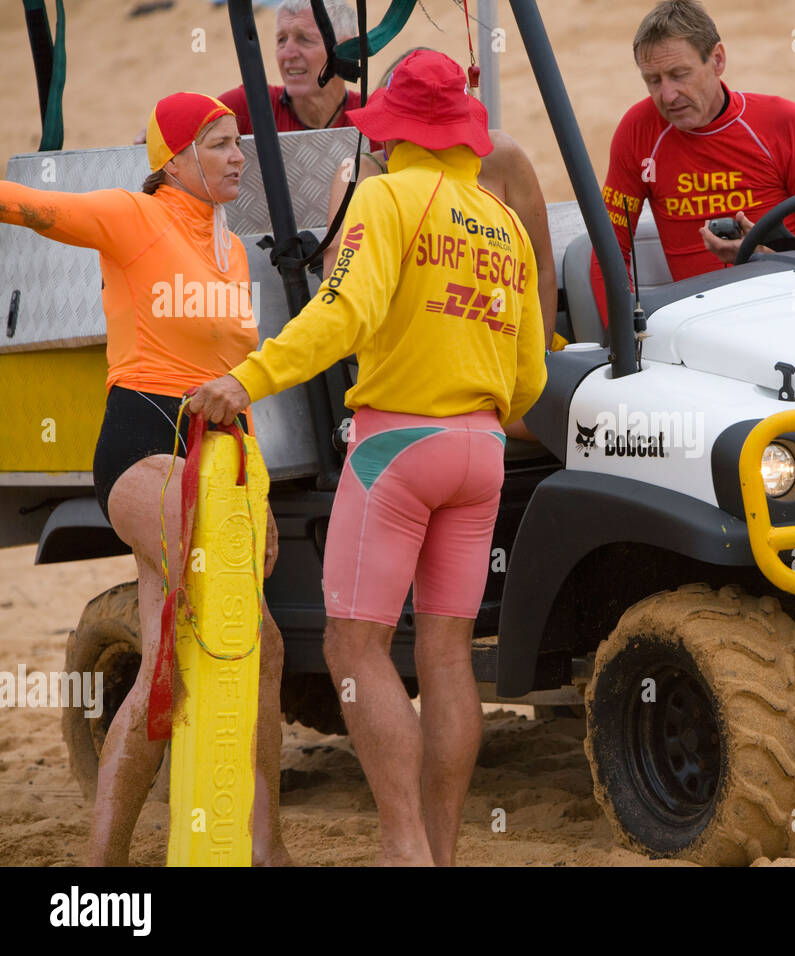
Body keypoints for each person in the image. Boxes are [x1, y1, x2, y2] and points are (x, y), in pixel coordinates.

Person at [188, 51, 548, 866]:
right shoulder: (503, 221)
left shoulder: (383, 197)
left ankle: (404, 848)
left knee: (355, 648)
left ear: (395, 134)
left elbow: (339, 315)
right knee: (447, 653)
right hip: (484, 451)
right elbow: (529, 376)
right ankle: (442, 853)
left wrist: (249, 379)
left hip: (398, 445)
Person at [0, 93, 290, 866]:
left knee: (226, 650)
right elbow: (23, 206)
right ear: (174, 157)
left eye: (239, 144)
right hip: (141, 442)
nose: (238, 158)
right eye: (221, 145)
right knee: (213, 628)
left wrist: (251, 497)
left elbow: (232, 376)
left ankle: (250, 847)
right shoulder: (133, 216)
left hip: (222, 452)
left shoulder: (232, 246)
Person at [591, 0, 795, 324]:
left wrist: (767, 255)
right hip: (695, 332)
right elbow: (608, 252)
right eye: (653, 80)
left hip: (791, 314)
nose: (668, 95)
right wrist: (624, 343)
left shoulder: (782, 124)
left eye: (679, 74)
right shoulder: (639, 131)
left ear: (717, 59)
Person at [322, 48, 559, 351]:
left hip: (500, 365)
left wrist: (539, 364)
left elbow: (541, 270)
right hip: (401, 365)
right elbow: (335, 293)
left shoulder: (503, 157)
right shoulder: (362, 174)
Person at [218, 0, 362, 134]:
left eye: (305, 39)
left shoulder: (372, 116)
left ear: (347, 50)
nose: (287, 53)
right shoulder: (245, 108)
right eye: (282, 39)